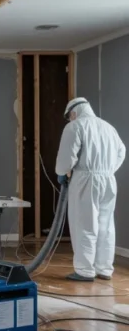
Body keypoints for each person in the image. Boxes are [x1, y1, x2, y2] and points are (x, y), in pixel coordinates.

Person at [55, 97, 125, 282]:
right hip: (109, 180)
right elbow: (121, 151)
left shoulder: (75, 126)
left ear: (73, 113)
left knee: (84, 224)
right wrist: (109, 170)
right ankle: (104, 269)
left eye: (69, 116)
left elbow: (66, 157)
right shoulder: (108, 128)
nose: (70, 119)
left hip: (85, 180)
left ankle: (85, 271)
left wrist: (62, 172)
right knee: (106, 225)